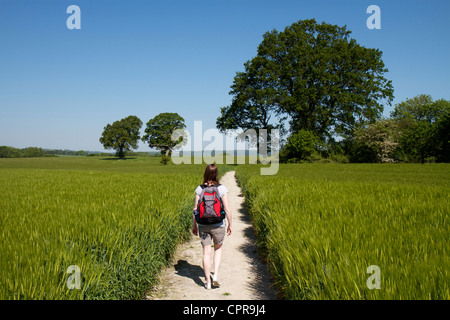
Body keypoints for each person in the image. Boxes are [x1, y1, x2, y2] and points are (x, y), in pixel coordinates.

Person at [192, 164, 232, 290]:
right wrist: (230, 224)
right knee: (218, 249)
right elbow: (227, 209)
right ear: (216, 174)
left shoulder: (199, 189)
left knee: (206, 252)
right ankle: (215, 276)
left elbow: (195, 209)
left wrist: (194, 226)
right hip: (218, 225)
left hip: (203, 225)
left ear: (205, 174)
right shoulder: (222, 189)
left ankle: (208, 282)